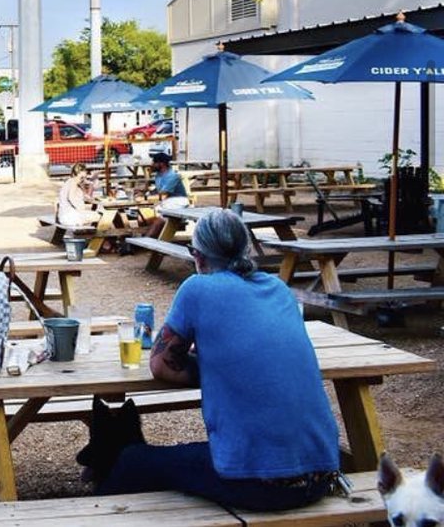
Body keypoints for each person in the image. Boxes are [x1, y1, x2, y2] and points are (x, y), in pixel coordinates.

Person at [98, 209, 343, 511]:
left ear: (198, 256)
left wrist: (213, 368)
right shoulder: (278, 288)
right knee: (189, 462)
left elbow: (160, 365)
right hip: (321, 474)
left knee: (133, 459)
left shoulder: (199, 288)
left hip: (263, 485)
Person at [143, 151, 188, 237]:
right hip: (167, 202)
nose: (152, 164)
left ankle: (143, 242)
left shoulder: (172, 176)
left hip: (177, 202)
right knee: (144, 218)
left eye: (154, 162)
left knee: (157, 220)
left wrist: (145, 197)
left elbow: (163, 194)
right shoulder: (159, 175)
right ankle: (147, 239)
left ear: (162, 164)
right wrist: (144, 193)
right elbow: (158, 190)